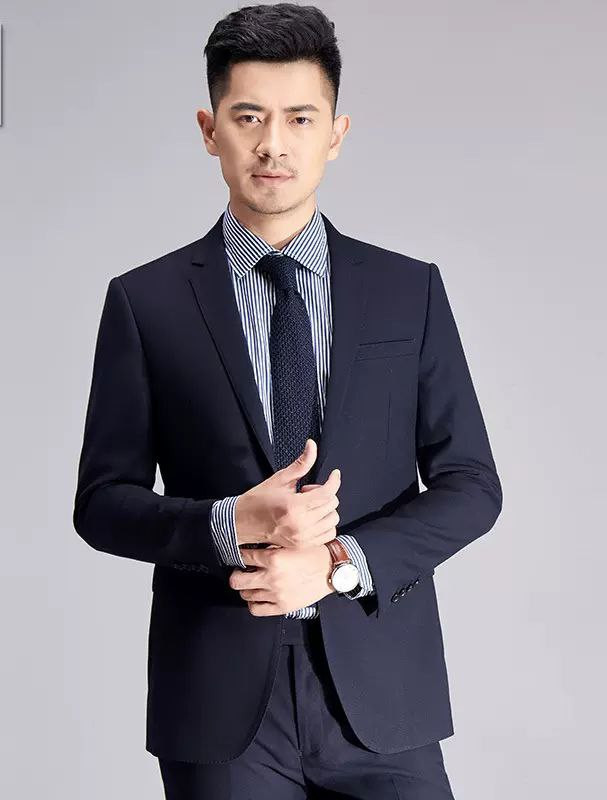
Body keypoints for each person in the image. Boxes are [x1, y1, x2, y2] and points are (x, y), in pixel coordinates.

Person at [73, 4, 503, 797]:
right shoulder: (146, 302)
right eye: (249, 117)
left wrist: (339, 565)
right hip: (219, 705)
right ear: (210, 130)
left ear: (335, 133)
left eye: (300, 118)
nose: (274, 144)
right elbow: (101, 504)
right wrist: (226, 523)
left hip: (384, 689)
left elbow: (473, 485)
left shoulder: (407, 291)